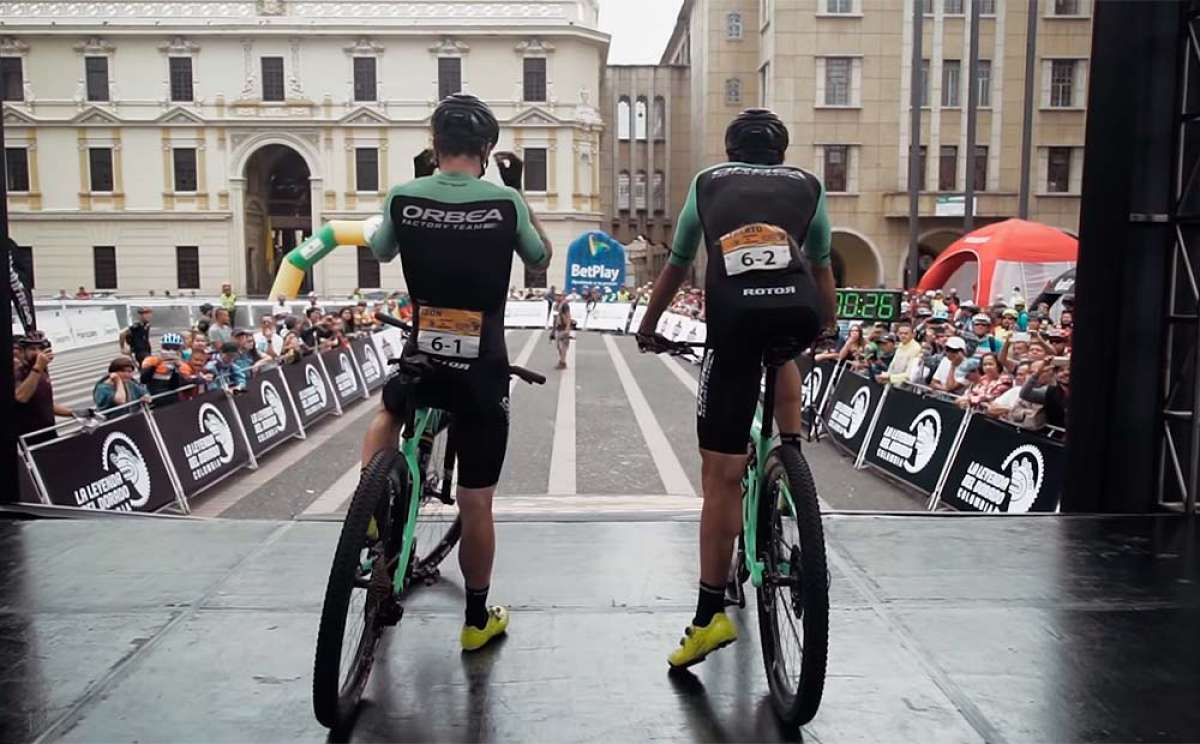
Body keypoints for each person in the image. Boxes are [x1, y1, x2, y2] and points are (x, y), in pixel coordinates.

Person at [266, 94, 552, 652]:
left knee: (387, 412)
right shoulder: (505, 201)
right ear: (488, 151)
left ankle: (370, 512)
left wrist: (416, 192)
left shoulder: (402, 195)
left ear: (434, 146)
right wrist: (517, 193)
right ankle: (475, 619)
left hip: (424, 352)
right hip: (482, 365)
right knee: (477, 503)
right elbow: (538, 258)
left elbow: (380, 247)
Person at [634, 108, 836, 669]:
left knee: (720, 479)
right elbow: (820, 265)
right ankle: (788, 456)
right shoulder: (809, 185)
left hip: (732, 327)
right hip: (793, 318)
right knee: (784, 349)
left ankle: (707, 616)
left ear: (730, 151)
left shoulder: (707, 182)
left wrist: (649, 325)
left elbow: (676, 264)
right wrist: (830, 322)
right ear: (782, 151)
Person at [14, 333, 73, 445]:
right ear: (23, 352)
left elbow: (45, 403)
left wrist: (73, 413)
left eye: (40, 348)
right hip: (28, 439)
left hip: (49, 433)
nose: (37, 353)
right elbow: (21, 397)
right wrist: (38, 368)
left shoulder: (42, 370)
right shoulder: (18, 372)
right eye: (32, 349)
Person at [140, 332, 196, 403]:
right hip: (154, 399)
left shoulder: (183, 365)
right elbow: (144, 380)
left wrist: (176, 369)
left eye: (175, 348)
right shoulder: (151, 360)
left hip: (172, 400)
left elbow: (176, 386)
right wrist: (156, 364)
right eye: (167, 347)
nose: (171, 351)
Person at [1020, 357, 1070, 429]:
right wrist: (1038, 373)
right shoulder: (1050, 392)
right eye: (1061, 370)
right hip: (1056, 435)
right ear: (1055, 374)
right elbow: (1025, 394)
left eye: (1069, 369)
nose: (1066, 373)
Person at [552, 301, 572, 369]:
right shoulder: (555, 305)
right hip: (558, 328)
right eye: (557, 295)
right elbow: (555, 318)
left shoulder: (565, 305)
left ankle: (562, 362)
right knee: (558, 346)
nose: (558, 297)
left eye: (560, 295)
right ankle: (562, 360)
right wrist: (553, 330)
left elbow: (568, 317)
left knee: (563, 346)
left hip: (564, 328)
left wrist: (567, 328)